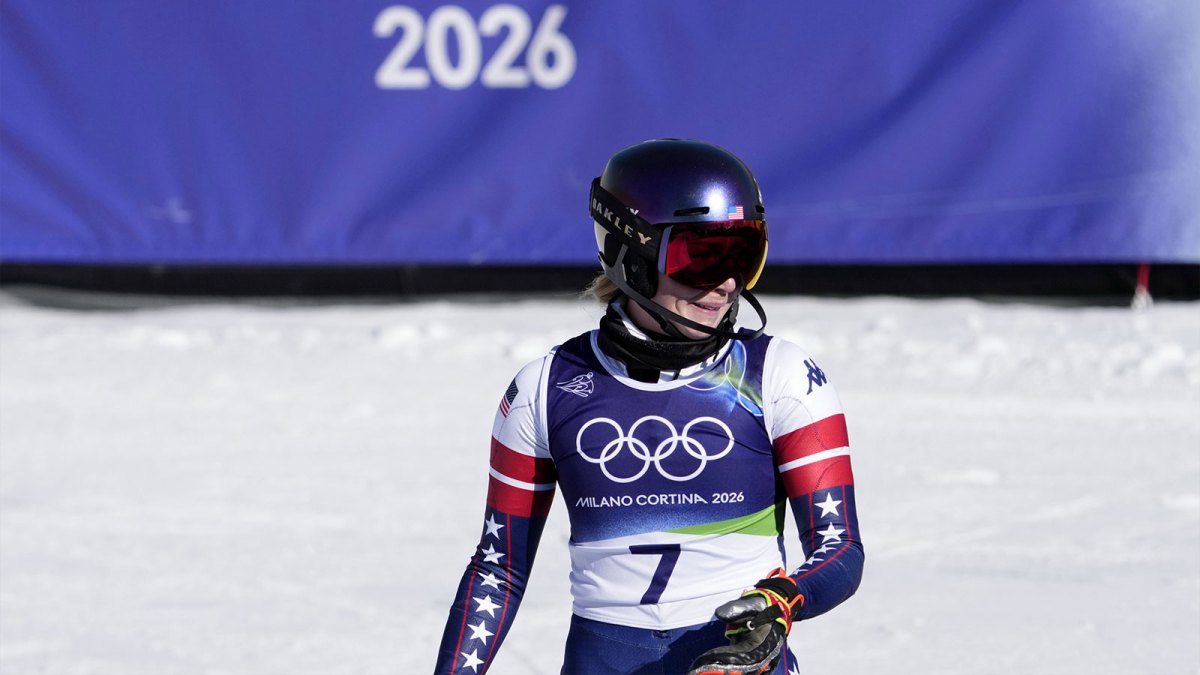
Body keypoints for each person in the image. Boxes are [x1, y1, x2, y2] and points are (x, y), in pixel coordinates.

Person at [434, 139, 864, 675]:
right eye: (701, 257)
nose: (726, 283)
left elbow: (841, 549)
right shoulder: (546, 388)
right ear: (630, 257)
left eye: (743, 256)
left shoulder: (781, 375)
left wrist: (779, 603)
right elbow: (498, 572)